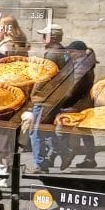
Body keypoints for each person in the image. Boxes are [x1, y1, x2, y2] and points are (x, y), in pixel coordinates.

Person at [27, 22, 71, 172]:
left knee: (36, 131)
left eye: (44, 36)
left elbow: (43, 78)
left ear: (52, 37)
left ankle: (41, 164)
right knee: (47, 131)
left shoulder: (52, 55)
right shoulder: (64, 53)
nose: (42, 39)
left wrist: (34, 96)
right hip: (55, 99)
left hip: (44, 100)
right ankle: (65, 152)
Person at [54, 39, 97, 169]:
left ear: (79, 52)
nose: (69, 53)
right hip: (84, 103)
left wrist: (63, 103)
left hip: (76, 104)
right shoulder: (84, 63)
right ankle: (90, 159)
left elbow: (73, 89)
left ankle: (68, 153)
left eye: (71, 51)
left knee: (60, 131)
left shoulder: (81, 66)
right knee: (85, 131)